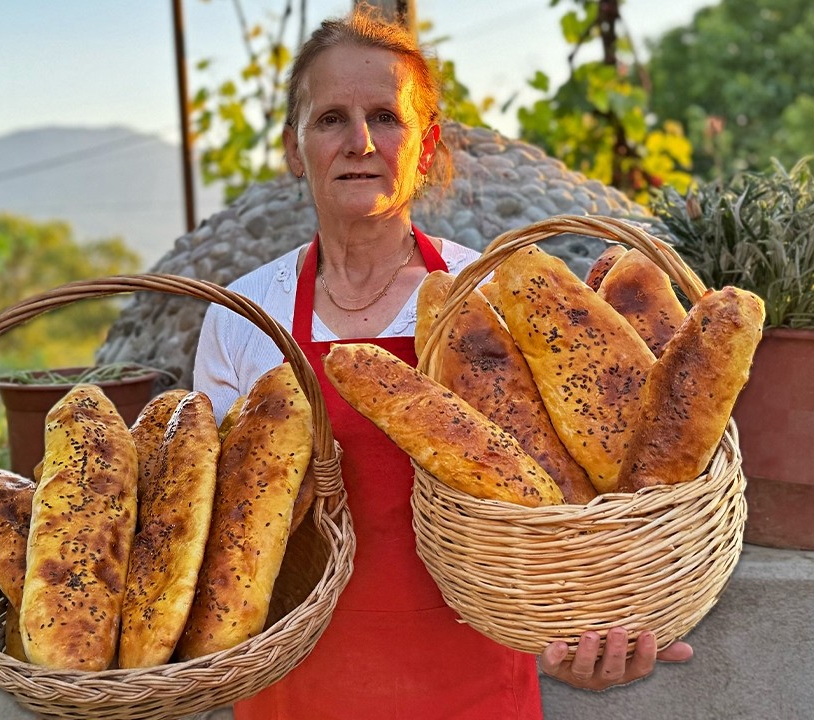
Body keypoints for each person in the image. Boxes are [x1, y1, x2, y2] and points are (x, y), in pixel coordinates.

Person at [192, 7, 693, 718]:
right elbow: (216, 532)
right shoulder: (243, 318)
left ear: (424, 148)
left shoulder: (489, 299)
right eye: (331, 118)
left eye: (386, 118)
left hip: (474, 691)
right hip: (291, 697)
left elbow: (573, 501)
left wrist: (594, 630)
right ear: (292, 149)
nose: (359, 141)